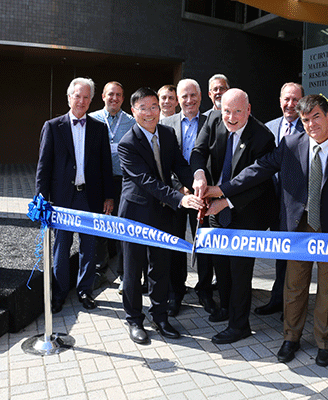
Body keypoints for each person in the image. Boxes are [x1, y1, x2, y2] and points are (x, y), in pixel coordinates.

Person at [205, 94, 328, 366]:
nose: (312, 124)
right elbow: (259, 169)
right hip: (297, 228)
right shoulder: (291, 144)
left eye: (317, 116)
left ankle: (325, 343)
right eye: (305, 120)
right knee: (294, 286)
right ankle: (291, 338)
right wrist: (223, 190)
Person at [118, 87, 204, 344]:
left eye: (153, 106)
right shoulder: (127, 143)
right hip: (135, 212)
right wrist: (181, 199)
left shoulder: (167, 133)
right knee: (133, 269)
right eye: (142, 108)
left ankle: (160, 315)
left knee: (160, 265)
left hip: (162, 211)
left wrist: (200, 187)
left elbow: (180, 165)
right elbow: (147, 181)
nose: (149, 112)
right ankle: (134, 320)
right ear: (133, 111)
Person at [191, 88, 276, 344]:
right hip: (216, 206)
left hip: (247, 210)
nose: (231, 117)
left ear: (248, 110)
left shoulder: (262, 137)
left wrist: (224, 198)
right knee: (221, 264)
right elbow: (198, 151)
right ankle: (227, 309)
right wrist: (199, 174)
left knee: (240, 270)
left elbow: (257, 180)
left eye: (237, 111)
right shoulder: (213, 120)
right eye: (226, 111)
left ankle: (239, 325)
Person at [35, 77, 114, 314]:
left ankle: (85, 291)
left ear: (91, 100)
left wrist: (109, 196)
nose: (81, 101)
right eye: (77, 96)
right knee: (61, 247)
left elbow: (105, 166)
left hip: (90, 197)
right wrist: (41, 199)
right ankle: (59, 294)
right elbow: (43, 166)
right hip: (62, 199)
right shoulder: (52, 126)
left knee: (89, 247)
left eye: (86, 97)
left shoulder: (99, 128)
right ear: (69, 97)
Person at [160, 78, 216, 317]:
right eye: (184, 96)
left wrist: (205, 191)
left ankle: (204, 290)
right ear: (177, 100)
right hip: (177, 195)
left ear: (201, 97)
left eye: (193, 95)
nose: (189, 100)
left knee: (204, 244)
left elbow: (216, 158)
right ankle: (176, 292)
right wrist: (180, 190)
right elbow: (164, 163)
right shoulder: (166, 123)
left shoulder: (212, 121)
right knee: (175, 244)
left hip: (204, 196)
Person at [255, 82, 306, 317]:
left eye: (296, 100)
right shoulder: (268, 128)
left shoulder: (310, 128)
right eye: (286, 99)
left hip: (296, 205)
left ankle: (291, 305)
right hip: (270, 204)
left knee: (294, 259)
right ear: (279, 100)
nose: (290, 104)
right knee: (279, 255)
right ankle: (277, 298)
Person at [89, 81, 135, 292]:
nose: (114, 98)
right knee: (100, 227)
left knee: (122, 228)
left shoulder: (131, 122)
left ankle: (125, 274)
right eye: (110, 94)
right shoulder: (92, 120)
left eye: (118, 95)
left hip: (123, 182)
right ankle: (100, 269)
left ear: (123, 99)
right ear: (103, 96)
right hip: (98, 183)